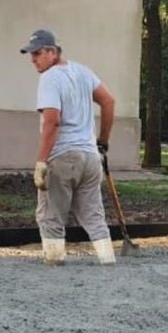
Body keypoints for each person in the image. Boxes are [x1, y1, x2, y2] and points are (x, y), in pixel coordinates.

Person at [20, 29, 116, 266]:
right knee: (93, 215)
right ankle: (108, 260)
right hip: (90, 158)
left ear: (53, 52)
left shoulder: (50, 78)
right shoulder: (83, 72)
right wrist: (102, 141)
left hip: (63, 156)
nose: (33, 59)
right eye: (31, 54)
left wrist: (41, 161)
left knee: (51, 215)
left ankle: (54, 265)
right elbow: (109, 101)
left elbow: (52, 121)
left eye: (38, 53)